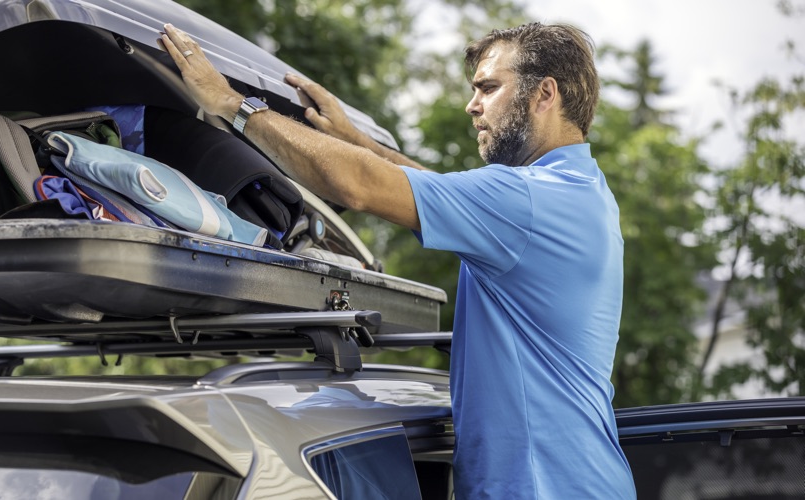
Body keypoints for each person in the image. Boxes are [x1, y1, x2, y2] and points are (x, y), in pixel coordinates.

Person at [161, 22, 636, 499]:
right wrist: (358, 141)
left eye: (488, 88)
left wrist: (233, 105)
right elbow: (439, 191)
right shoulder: (577, 191)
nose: (473, 106)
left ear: (544, 94)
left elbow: (361, 187)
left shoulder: (529, 201)